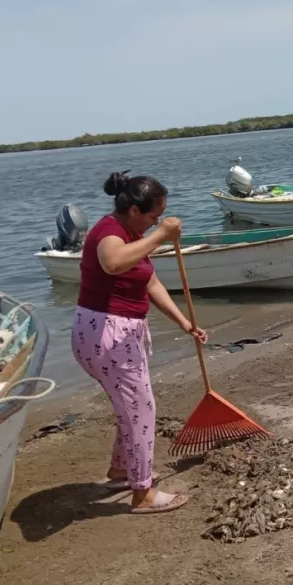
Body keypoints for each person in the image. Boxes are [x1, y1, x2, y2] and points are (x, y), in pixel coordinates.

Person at [73, 170, 208, 515]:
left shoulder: (132, 233)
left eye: (159, 218)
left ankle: (122, 471)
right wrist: (161, 235)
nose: (156, 223)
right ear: (134, 210)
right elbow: (112, 262)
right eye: (153, 216)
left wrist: (184, 323)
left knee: (130, 406)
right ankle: (142, 493)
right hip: (107, 335)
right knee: (141, 410)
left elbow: (149, 283)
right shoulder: (110, 233)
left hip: (112, 333)